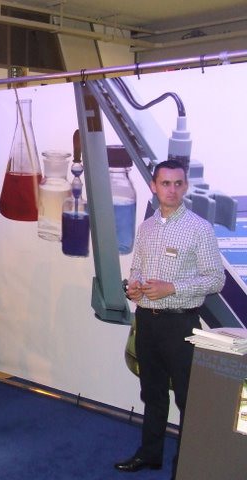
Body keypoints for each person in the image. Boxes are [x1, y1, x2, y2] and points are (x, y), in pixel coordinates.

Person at [114, 160, 225, 478]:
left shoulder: (199, 228)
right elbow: (137, 268)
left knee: (188, 399)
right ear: (154, 186)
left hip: (181, 325)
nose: (172, 190)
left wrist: (172, 287)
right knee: (152, 393)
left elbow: (216, 280)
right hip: (147, 322)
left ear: (185, 187)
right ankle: (150, 455)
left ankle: (186, 466)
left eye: (178, 184)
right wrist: (134, 287)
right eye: (165, 183)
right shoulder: (146, 227)